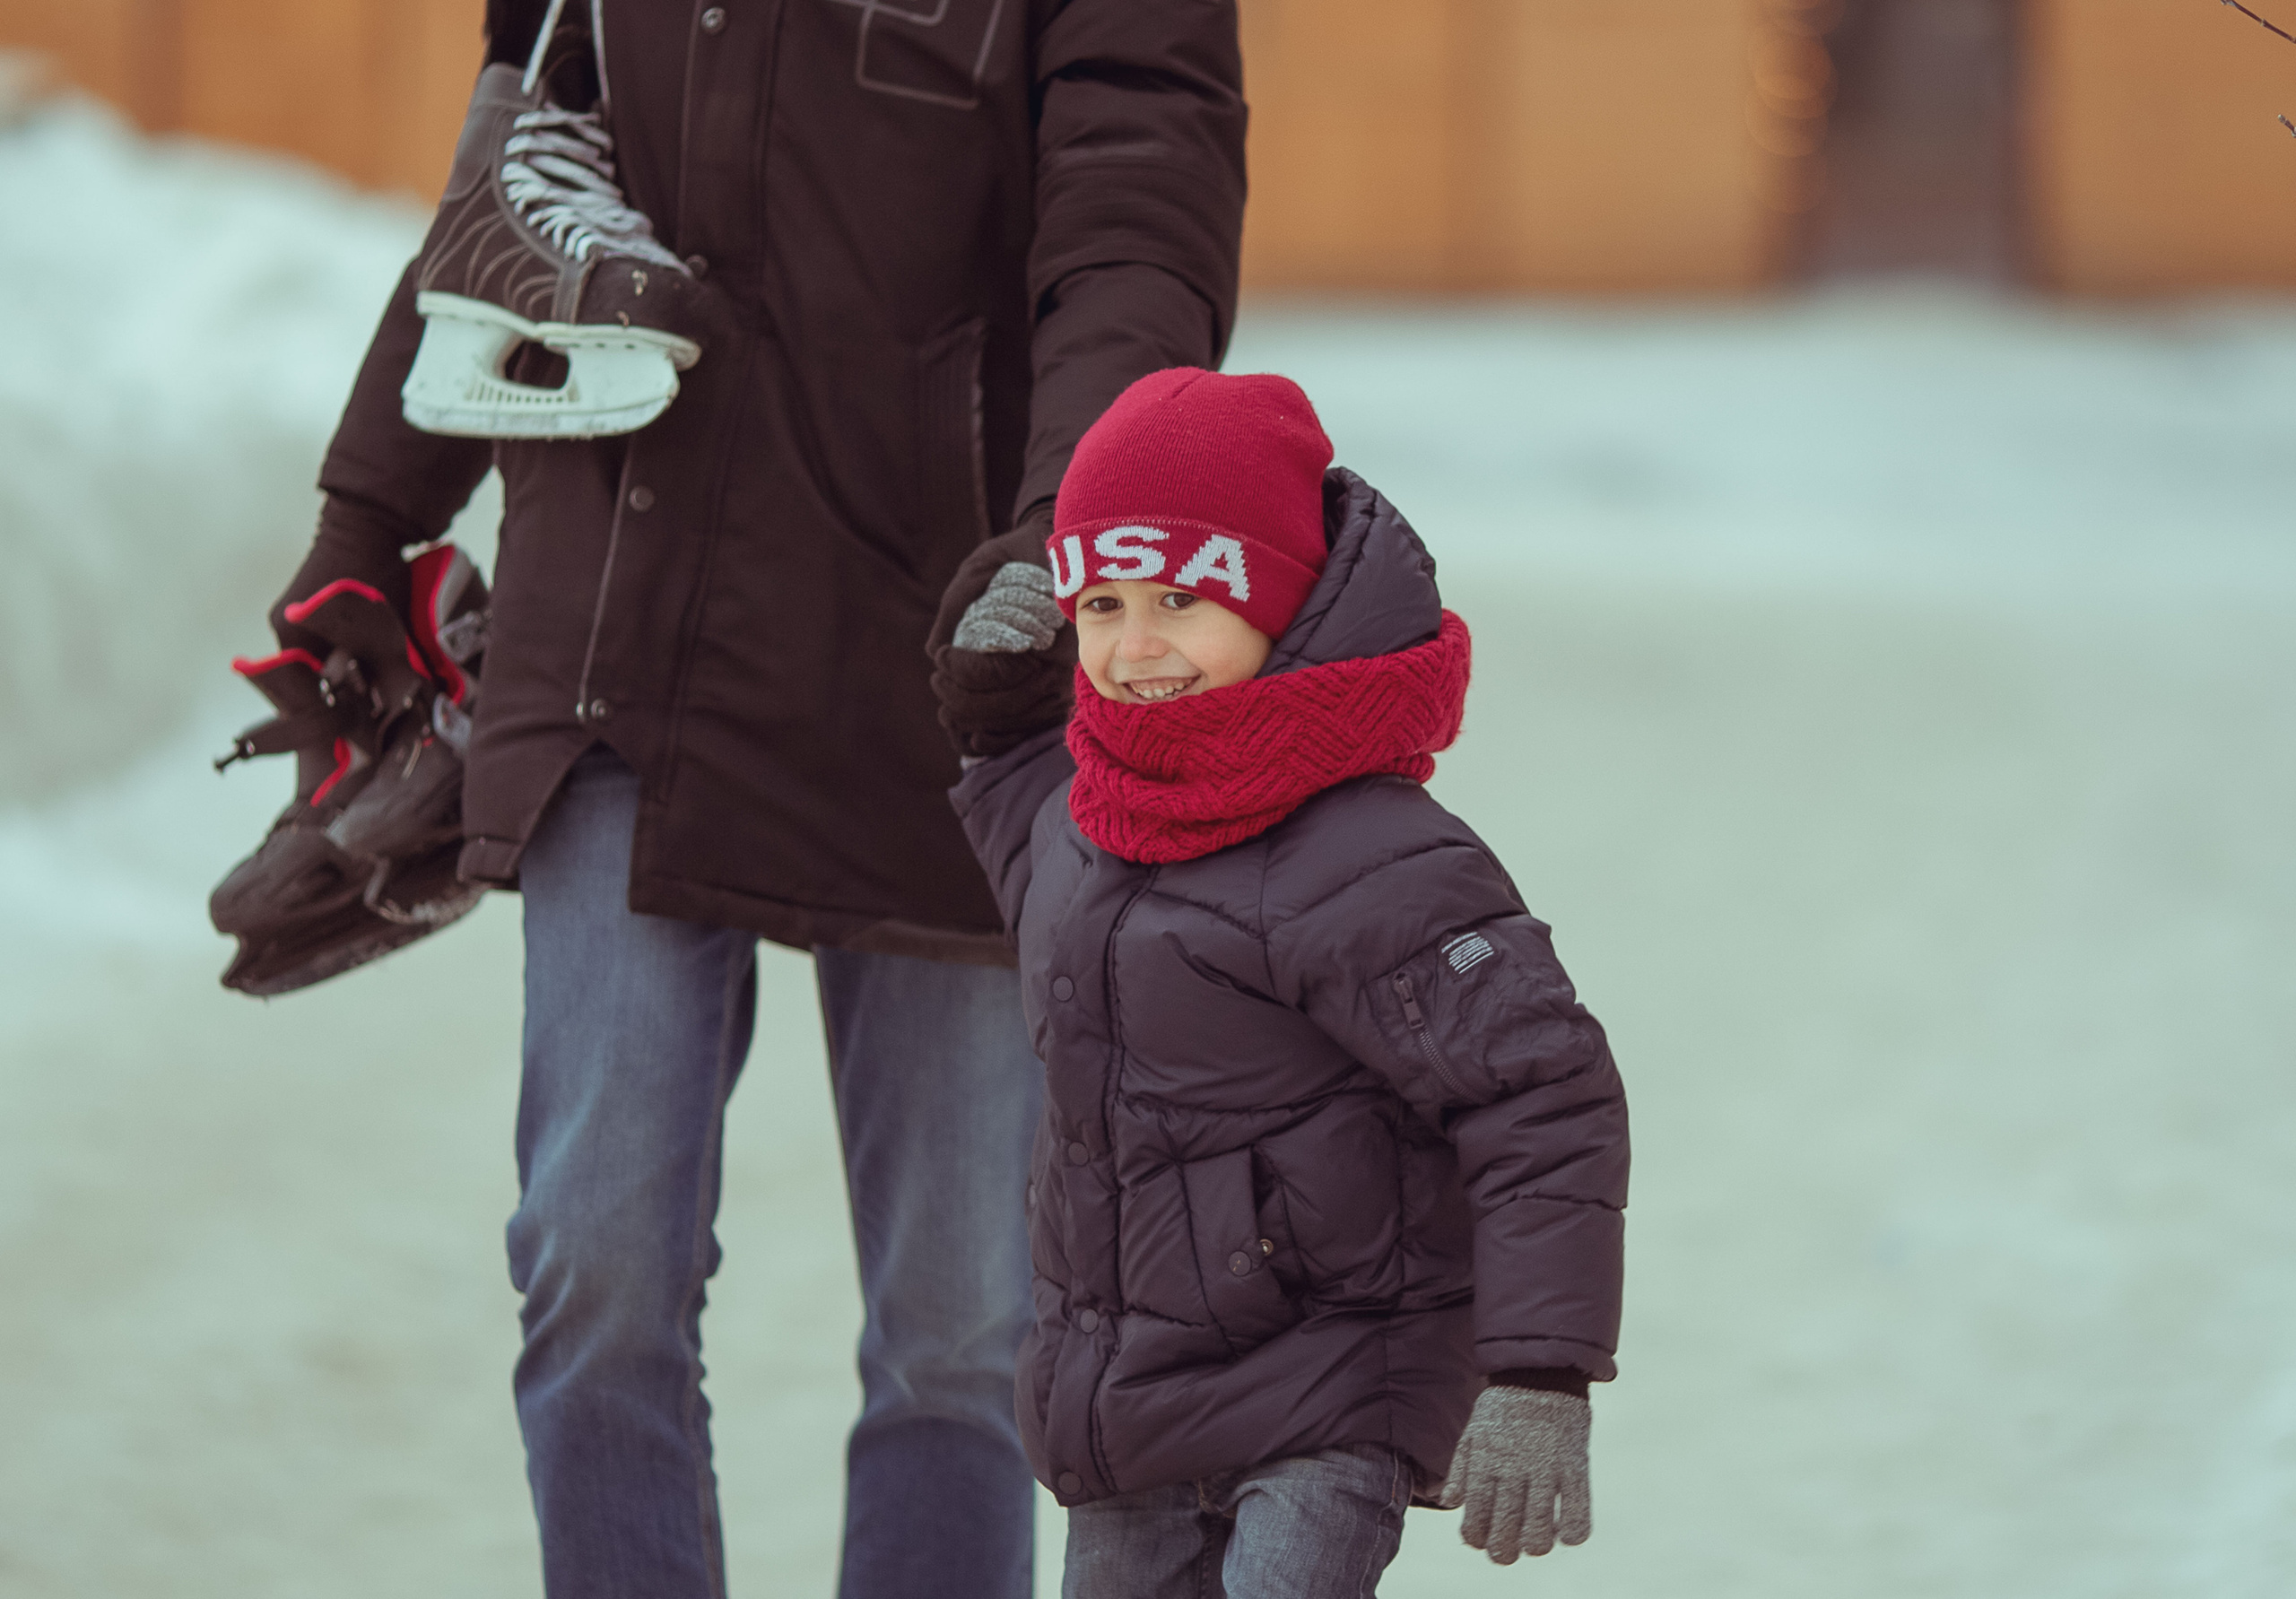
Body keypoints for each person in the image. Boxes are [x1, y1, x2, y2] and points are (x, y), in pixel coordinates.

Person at [259, 4, 1246, 1597]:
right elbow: (522, 162)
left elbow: (1140, 213)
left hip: (952, 657)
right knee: (594, 1265)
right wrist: (369, 514)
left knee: (960, 1323)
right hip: (620, 625)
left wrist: (1078, 522)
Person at [938, 369, 1631, 1596]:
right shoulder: (1087, 814)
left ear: (1287, 605)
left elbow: (1540, 1097)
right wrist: (999, 727)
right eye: (1101, 603)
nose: (1138, 647)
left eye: (1183, 601)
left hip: (1331, 1383)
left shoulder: (1374, 854)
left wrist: (1539, 1373)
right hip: (1127, 1400)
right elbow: (1037, 883)